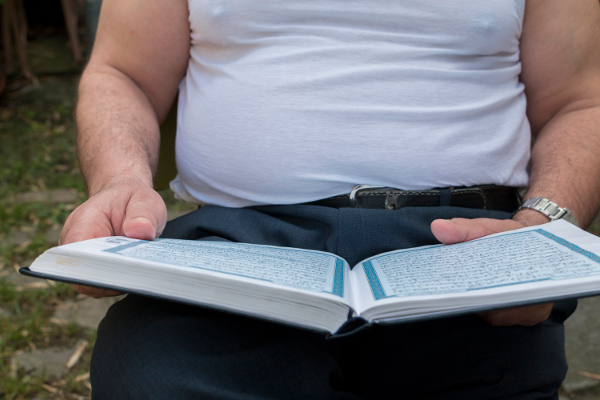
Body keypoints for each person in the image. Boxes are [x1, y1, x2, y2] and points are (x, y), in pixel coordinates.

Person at [60, 0, 600, 398]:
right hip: (232, 255)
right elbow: (124, 71)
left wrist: (541, 230)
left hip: (464, 257)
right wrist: (120, 182)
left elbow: (580, 101)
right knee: (158, 381)